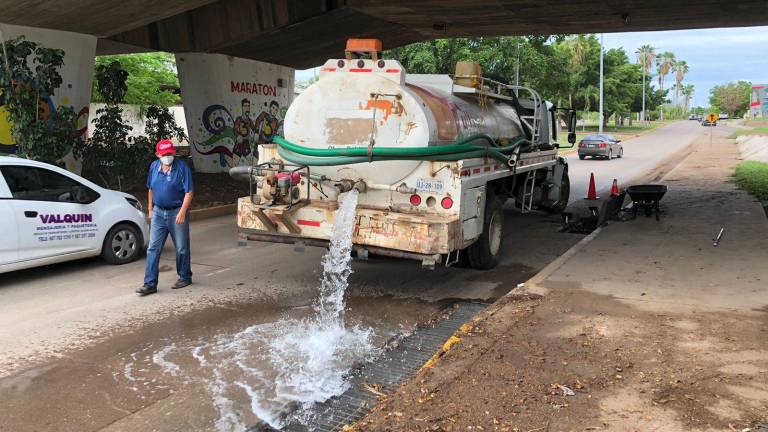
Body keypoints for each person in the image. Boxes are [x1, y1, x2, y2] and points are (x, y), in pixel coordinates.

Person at [137, 139, 194, 296]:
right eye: (164, 154)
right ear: (157, 155)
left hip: (177, 211)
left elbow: (189, 192)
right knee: (153, 248)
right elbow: (150, 189)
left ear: (174, 152)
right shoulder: (154, 167)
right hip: (159, 213)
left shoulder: (182, 168)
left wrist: (182, 212)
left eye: (170, 153)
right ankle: (150, 283)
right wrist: (150, 208)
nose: (167, 156)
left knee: (181, 248)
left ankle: (185, 276)